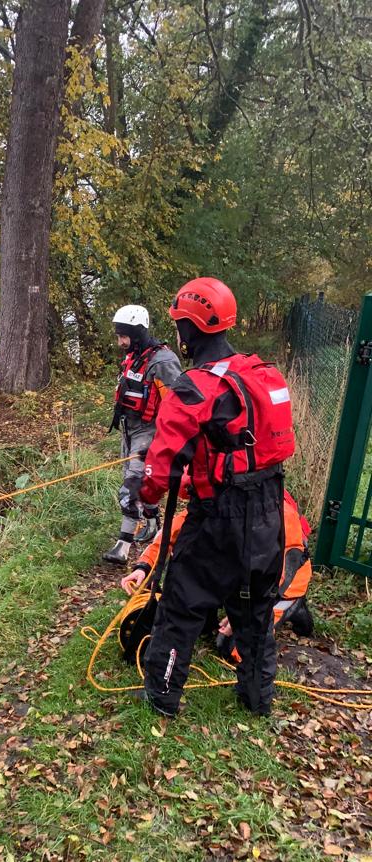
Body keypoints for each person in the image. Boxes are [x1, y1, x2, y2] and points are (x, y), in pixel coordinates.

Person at [137, 276, 295, 717]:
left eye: (179, 324)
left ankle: (162, 697)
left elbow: (161, 465)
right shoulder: (262, 373)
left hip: (219, 519)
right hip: (269, 512)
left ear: (189, 328)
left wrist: (144, 495)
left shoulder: (194, 387)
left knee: (182, 604)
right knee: (256, 613)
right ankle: (257, 700)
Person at [121, 478, 313, 660]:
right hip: (244, 575)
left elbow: (288, 567)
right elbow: (171, 533)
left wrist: (248, 613)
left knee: (235, 650)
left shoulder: (273, 509)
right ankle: (216, 613)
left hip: (284, 586)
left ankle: (295, 607)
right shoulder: (214, 499)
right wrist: (144, 566)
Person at [102, 305, 181, 565]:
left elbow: (177, 407)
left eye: (124, 336)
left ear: (137, 333)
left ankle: (123, 546)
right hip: (130, 430)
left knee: (131, 487)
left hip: (150, 433)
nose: (120, 342)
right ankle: (154, 524)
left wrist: (162, 442)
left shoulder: (163, 362)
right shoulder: (134, 356)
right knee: (142, 483)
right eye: (118, 336)